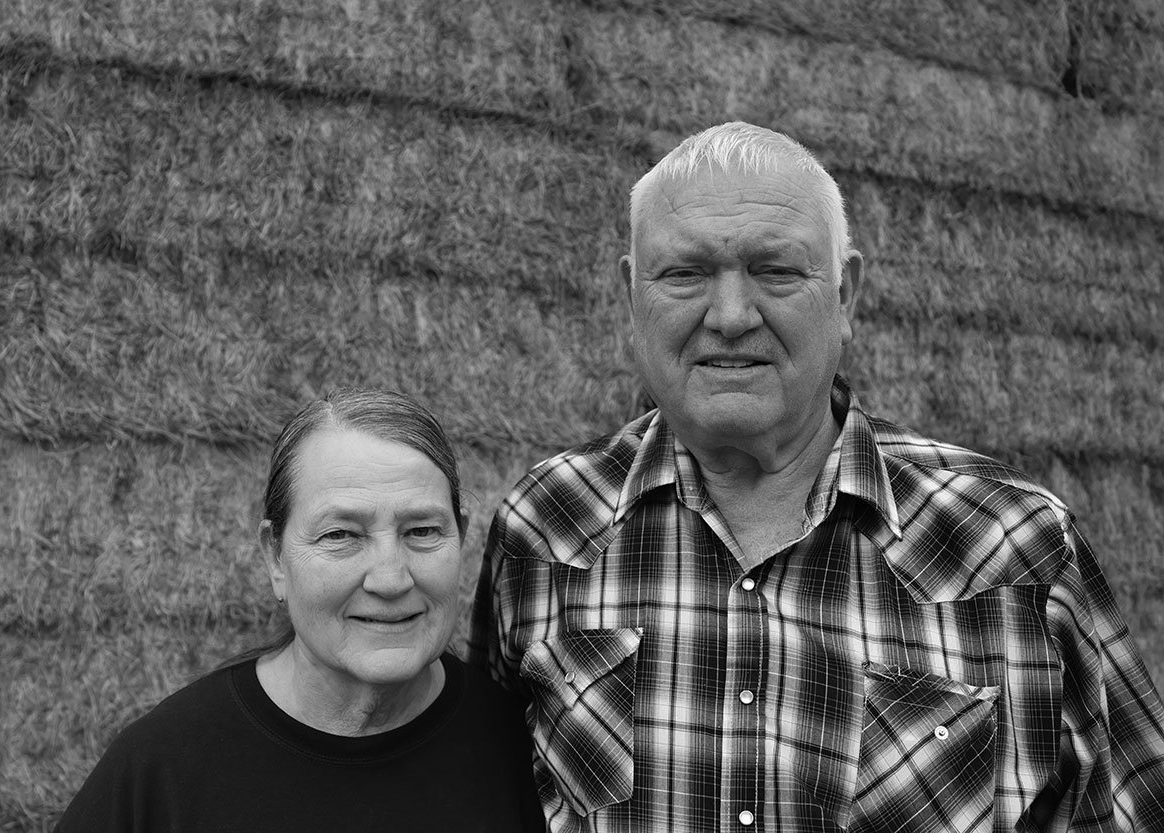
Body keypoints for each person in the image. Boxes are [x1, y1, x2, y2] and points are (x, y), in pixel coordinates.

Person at [469, 122, 1164, 832]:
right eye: (683, 274)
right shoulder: (545, 525)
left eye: (775, 271)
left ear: (846, 295)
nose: (731, 316)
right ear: (630, 296)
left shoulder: (1014, 543)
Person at [57, 388, 545, 833]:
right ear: (275, 557)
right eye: (340, 535)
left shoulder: (531, 753)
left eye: (422, 531)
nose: (391, 578)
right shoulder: (160, 772)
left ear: (461, 536)